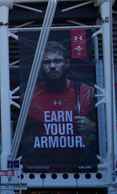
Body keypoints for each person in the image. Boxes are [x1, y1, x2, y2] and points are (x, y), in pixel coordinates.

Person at [22, 41, 97, 172]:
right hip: (41, 169)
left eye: (57, 61)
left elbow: (109, 130)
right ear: (40, 65)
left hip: (81, 167)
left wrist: (92, 127)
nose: (52, 66)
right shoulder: (28, 97)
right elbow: (22, 138)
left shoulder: (86, 93)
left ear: (67, 63)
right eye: (46, 62)